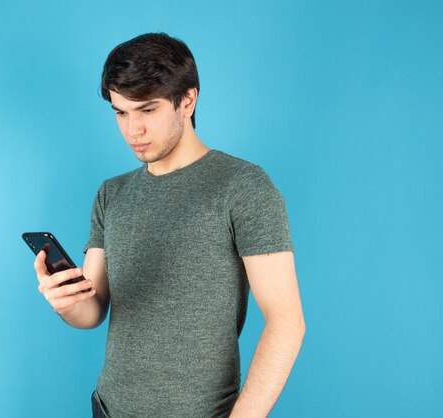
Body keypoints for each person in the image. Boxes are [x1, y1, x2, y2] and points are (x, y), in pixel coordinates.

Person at [34, 32, 306, 418]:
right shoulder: (112, 193)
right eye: (120, 113)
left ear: (187, 100)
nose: (133, 131)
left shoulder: (242, 186)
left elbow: (287, 321)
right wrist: (65, 301)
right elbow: (92, 311)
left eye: (147, 110)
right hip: (108, 409)